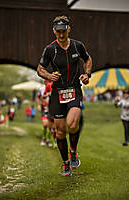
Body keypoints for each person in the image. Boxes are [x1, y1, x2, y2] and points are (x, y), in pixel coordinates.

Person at [37, 15, 92, 176]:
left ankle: (73, 151)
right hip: (57, 92)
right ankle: (66, 163)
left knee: (72, 124)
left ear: (69, 29)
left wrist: (87, 74)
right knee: (60, 131)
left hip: (74, 89)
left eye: (64, 31)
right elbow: (40, 69)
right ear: (54, 31)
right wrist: (48, 76)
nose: (61, 35)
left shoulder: (77, 46)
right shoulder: (50, 49)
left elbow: (88, 60)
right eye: (58, 31)